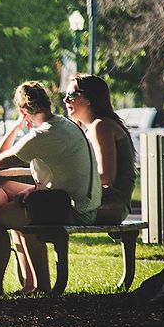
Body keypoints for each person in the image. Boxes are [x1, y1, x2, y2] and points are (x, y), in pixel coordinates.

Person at [0, 81, 100, 297]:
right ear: (48, 102)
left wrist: (16, 126)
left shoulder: (42, 136)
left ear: (23, 111)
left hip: (72, 210)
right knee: (6, 187)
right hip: (78, 201)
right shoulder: (66, 124)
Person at [63, 73, 136, 225]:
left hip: (112, 206)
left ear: (89, 98)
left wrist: (67, 182)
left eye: (71, 94)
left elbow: (106, 177)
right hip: (103, 202)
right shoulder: (94, 127)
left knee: (39, 213)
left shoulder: (100, 126)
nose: (65, 100)